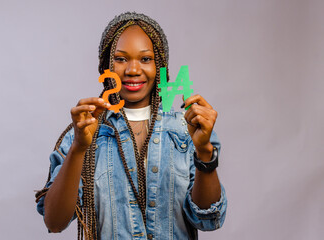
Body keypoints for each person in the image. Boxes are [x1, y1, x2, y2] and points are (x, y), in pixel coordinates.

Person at [36, 12, 227, 240]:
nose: (133, 70)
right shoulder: (84, 131)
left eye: (145, 59)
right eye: (120, 59)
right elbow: (55, 222)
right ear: (106, 65)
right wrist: (78, 147)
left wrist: (205, 152)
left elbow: (207, 220)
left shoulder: (188, 130)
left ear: (160, 66)